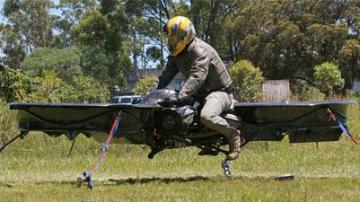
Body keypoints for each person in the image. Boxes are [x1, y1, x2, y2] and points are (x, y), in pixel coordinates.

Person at [156, 16, 241, 160]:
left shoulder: (199, 50)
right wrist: (154, 96)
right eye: (169, 39)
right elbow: (165, 77)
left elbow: (198, 75)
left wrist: (182, 94)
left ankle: (233, 136)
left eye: (173, 39)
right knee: (177, 111)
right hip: (201, 94)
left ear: (184, 36)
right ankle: (208, 141)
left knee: (206, 116)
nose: (170, 42)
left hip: (220, 92)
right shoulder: (176, 55)